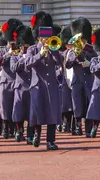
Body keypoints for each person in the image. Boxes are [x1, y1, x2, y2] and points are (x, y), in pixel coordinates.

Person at [23, 12, 62, 150]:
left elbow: (60, 62)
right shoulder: (32, 49)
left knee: (52, 113)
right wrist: (40, 54)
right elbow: (27, 63)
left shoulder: (54, 48)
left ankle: (50, 141)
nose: (46, 39)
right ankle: (36, 136)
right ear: (38, 36)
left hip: (51, 85)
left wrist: (52, 51)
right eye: (44, 36)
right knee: (38, 112)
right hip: (37, 85)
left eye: (48, 36)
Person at [66, 17, 96, 137]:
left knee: (89, 105)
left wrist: (88, 63)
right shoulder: (73, 51)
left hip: (88, 81)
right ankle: (78, 127)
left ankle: (88, 129)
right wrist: (75, 54)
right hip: (77, 81)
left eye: (83, 39)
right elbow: (68, 65)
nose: (82, 42)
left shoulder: (92, 50)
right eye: (80, 39)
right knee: (77, 105)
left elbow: (94, 63)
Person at [11, 25, 35, 143]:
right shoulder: (15, 58)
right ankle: (19, 130)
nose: (25, 49)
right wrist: (23, 59)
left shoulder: (33, 57)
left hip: (31, 87)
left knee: (31, 113)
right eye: (24, 47)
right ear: (20, 47)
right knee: (19, 112)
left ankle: (30, 135)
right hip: (20, 87)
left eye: (27, 47)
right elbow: (13, 69)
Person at [0, 18, 21, 139]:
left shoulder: (21, 49)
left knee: (17, 107)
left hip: (18, 82)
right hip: (6, 82)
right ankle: (6, 128)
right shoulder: (1, 49)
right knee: (6, 107)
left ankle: (17, 130)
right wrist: (9, 54)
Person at [58, 26, 74, 133]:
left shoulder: (77, 52)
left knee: (74, 105)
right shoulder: (62, 55)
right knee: (65, 105)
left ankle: (74, 125)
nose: (70, 45)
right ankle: (65, 123)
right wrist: (59, 70)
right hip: (64, 80)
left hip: (74, 80)